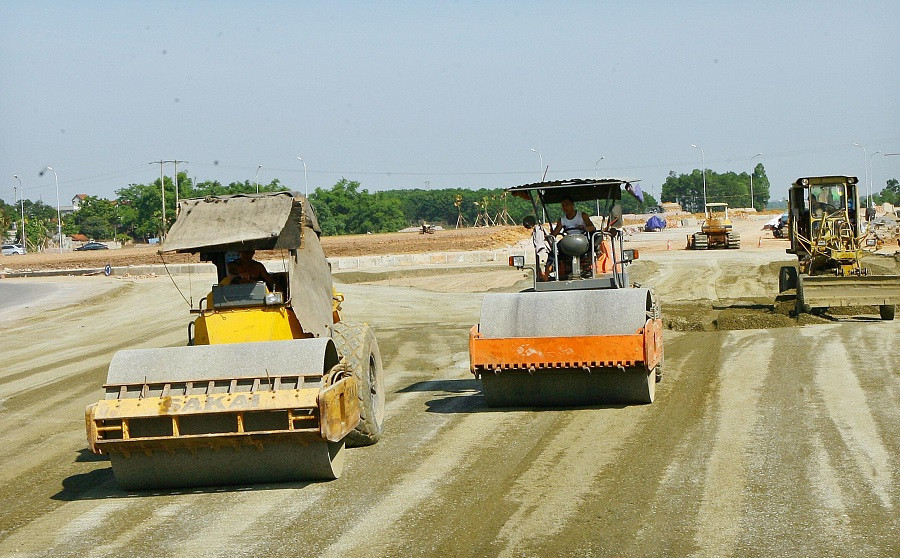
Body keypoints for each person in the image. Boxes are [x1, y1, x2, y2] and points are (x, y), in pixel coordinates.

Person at [550, 198, 597, 278]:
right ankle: (555, 267)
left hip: (582, 240)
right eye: (563, 205)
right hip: (568, 241)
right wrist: (551, 234)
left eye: (567, 205)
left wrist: (584, 228)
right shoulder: (562, 220)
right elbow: (555, 233)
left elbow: (592, 228)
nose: (565, 207)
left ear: (572, 205)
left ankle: (587, 267)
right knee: (556, 248)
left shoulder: (582, 215)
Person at [523, 215, 551, 281]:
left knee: (550, 262)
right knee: (548, 262)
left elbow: (539, 243)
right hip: (545, 250)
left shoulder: (538, 230)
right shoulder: (537, 230)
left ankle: (545, 276)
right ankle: (544, 274)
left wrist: (540, 252)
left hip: (544, 250)